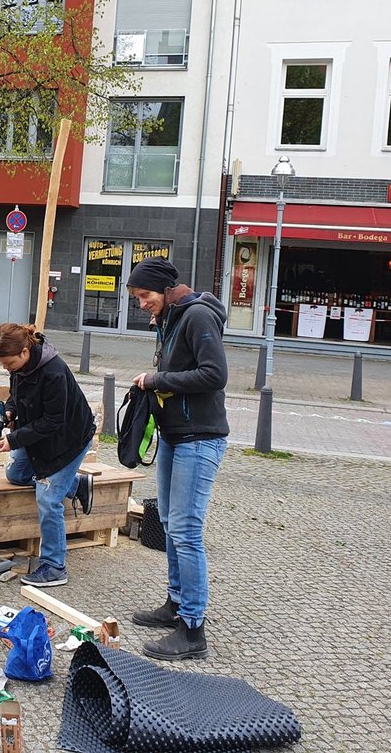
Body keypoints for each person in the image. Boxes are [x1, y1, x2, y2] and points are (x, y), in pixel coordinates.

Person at [126, 256, 228, 661]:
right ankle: (175, 604)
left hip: (199, 439)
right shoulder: (171, 317)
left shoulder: (198, 316)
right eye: (137, 297)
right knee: (169, 523)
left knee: (186, 531)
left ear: (166, 290)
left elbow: (215, 374)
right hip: (174, 435)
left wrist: (158, 380)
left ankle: (192, 630)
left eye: (145, 296)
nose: (141, 304)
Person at [0, 322, 94, 588]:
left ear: (25, 352)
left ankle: (54, 566)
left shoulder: (54, 372)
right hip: (39, 436)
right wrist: (11, 411)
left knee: (47, 498)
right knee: (16, 474)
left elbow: (53, 422)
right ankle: (76, 485)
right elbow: (16, 395)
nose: (6, 368)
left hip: (68, 438)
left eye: (8, 363)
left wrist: (13, 440)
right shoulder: (20, 367)